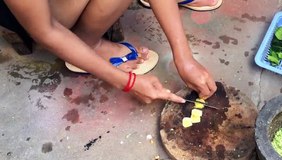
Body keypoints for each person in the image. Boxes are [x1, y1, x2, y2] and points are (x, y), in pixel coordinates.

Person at [2, 0, 220, 104]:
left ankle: (87, 39)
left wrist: (184, 57)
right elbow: (45, 30)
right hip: (36, 12)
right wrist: (127, 82)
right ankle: (89, 45)